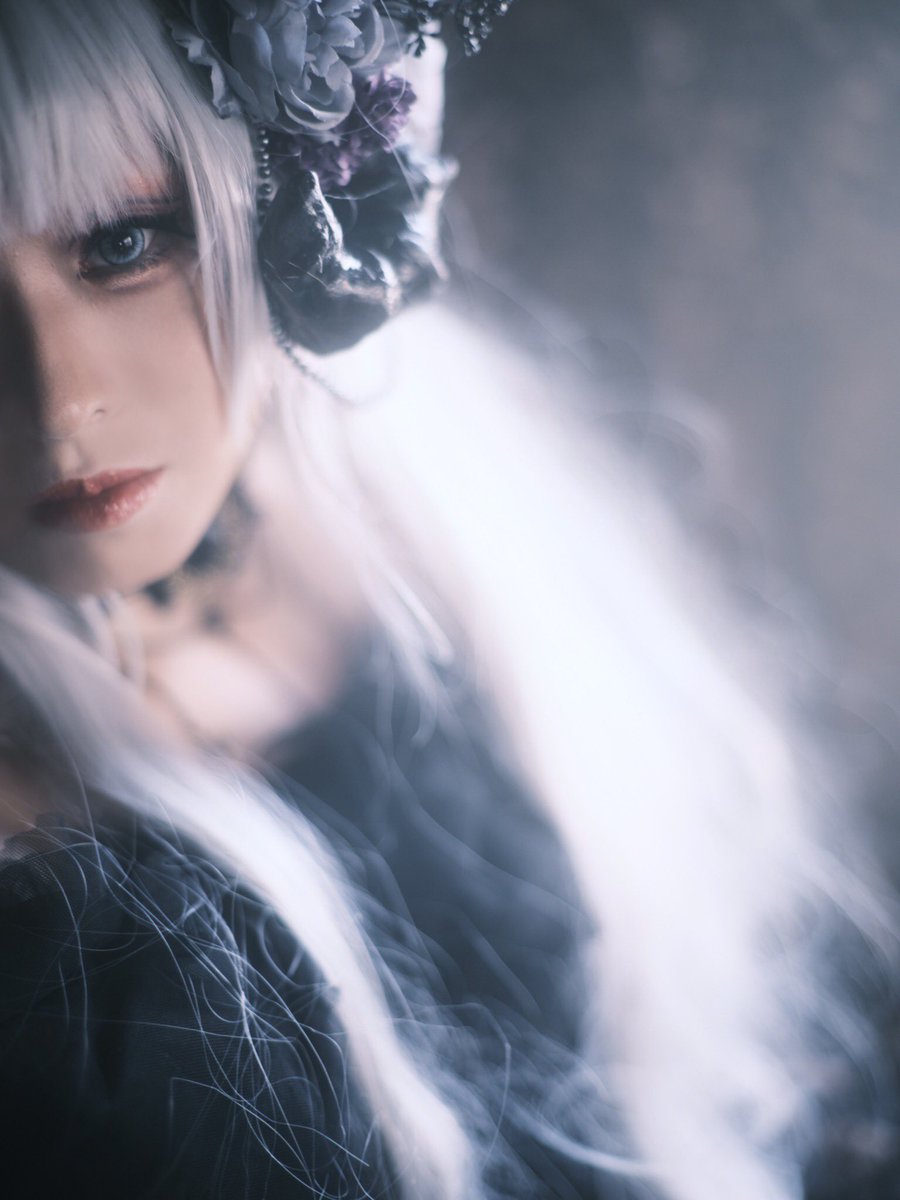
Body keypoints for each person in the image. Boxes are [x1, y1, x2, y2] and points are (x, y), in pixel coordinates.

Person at [0, 2, 896, 1198]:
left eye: (121, 245)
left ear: (263, 198)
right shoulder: (42, 933)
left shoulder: (436, 489)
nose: (59, 399)